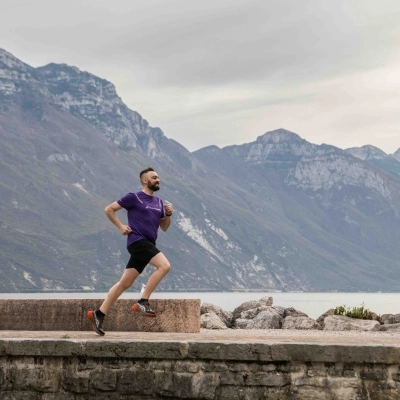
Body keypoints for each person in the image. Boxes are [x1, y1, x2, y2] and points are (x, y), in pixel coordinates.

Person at [87, 167, 173, 336]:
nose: (158, 179)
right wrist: (120, 226)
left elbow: (164, 228)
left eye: (158, 177)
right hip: (137, 242)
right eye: (154, 177)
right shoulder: (133, 197)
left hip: (147, 243)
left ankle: (99, 314)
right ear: (145, 181)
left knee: (125, 283)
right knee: (164, 266)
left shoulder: (160, 203)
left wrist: (168, 215)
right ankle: (143, 301)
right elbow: (109, 209)